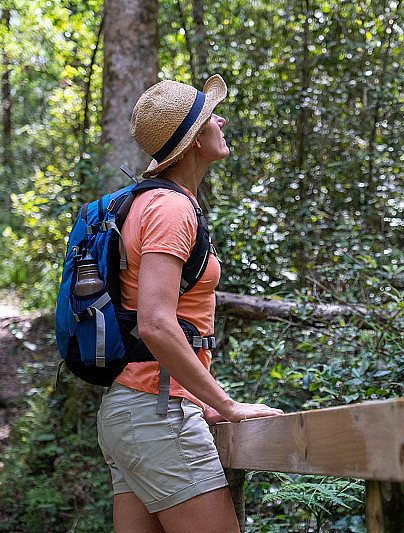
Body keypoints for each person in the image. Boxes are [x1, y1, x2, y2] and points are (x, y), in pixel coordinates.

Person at [96, 74, 284, 533]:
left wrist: (201, 404)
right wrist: (228, 404)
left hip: (135, 410)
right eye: (209, 116)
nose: (220, 120)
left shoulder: (147, 203)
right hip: (156, 417)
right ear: (195, 140)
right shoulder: (170, 209)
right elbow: (156, 324)